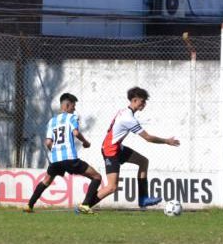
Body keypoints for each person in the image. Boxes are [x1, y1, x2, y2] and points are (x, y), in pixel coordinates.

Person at [77, 86, 180, 214]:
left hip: (117, 147)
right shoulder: (128, 118)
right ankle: (83, 206)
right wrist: (166, 141)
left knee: (143, 161)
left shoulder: (124, 111)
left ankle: (143, 198)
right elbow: (147, 137)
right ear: (135, 100)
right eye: (142, 101)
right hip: (111, 150)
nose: (144, 104)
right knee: (111, 187)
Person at [24, 93, 102, 213]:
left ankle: (29, 205)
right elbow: (76, 133)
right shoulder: (72, 117)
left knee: (46, 181)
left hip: (55, 160)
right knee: (97, 177)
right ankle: (85, 205)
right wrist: (86, 142)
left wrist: (55, 152)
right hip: (70, 158)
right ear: (66, 105)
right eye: (73, 106)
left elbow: (48, 142)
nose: (74, 109)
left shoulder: (52, 121)